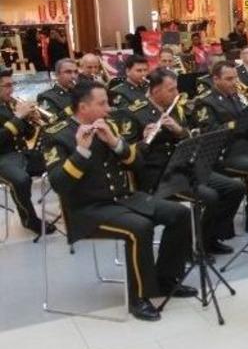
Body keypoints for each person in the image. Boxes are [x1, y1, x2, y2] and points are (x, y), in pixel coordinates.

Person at [42, 80, 196, 321]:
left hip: (123, 199)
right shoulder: (57, 135)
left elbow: (136, 163)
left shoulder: (108, 126)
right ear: (83, 107)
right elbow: (59, 184)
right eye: (102, 103)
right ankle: (139, 297)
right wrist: (81, 153)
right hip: (87, 209)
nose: (108, 108)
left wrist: (114, 143)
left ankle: (165, 278)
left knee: (180, 213)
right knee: (140, 227)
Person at [115, 68, 244, 255]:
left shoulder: (174, 108)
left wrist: (178, 130)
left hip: (183, 167)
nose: (176, 93)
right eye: (171, 89)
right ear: (156, 91)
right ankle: (194, 247)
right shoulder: (133, 113)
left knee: (234, 188)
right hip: (158, 175)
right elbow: (126, 154)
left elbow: (190, 137)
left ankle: (210, 237)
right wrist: (144, 141)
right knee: (209, 197)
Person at [194, 61, 248, 235]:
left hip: (244, 147)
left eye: (235, 78)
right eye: (229, 79)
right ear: (216, 79)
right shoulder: (205, 102)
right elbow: (208, 133)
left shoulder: (235, 96)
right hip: (224, 153)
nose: (234, 82)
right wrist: (233, 125)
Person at [0, 66, 56, 235]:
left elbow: (27, 134)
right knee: (21, 180)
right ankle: (29, 219)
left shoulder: (9, 104)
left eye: (12, 85)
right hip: (3, 157)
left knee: (60, 162)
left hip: (22, 154)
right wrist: (18, 118)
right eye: (7, 86)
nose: (12, 89)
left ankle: (74, 208)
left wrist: (31, 120)